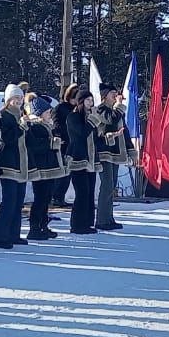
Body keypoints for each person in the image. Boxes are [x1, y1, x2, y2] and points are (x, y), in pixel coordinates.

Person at [0, 84, 29, 249]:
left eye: (21, 98)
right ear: (8, 99)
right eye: (15, 98)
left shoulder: (20, 115)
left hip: (21, 163)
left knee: (18, 200)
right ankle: (0, 236)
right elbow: (7, 138)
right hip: (8, 163)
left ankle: (14, 234)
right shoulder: (4, 115)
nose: (19, 101)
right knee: (9, 200)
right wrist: (21, 126)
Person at [24, 95, 64, 240]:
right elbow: (35, 146)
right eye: (47, 112)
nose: (50, 115)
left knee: (46, 197)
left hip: (49, 167)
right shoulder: (35, 126)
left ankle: (43, 225)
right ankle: (35, 227)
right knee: (40, 198)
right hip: (41, 168)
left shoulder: (46, 126)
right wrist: (51, 143)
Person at [94, 83, 130, 231]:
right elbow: (111, 120)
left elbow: (123, 129)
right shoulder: (100, 109)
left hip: (115, 151)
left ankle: (109, 217)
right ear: (105, 96)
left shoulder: (116, 110)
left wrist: (131, 149)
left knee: (112, 185)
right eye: (112, 93)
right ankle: (101, 220)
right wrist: (119, 106)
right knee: (107, 184)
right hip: (104, 152)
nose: (115, 95)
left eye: (116, 93)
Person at [65, 89, 100, 234]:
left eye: (91, 100)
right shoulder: (73, 117)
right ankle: (77, 224)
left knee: (90, 192)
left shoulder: (90, 117)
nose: (90, 103)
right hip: (78, 158)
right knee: (82, 192)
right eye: (87, 100)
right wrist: (92, 121)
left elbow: (95, 137)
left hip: (91, 160)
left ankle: (87, 222)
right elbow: (81, 134)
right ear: (81, 102)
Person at [50, 84, 80, 208]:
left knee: (68, 173)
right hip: (63, 143)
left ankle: (60, 196)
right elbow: (56, 124)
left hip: (73, 143)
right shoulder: (60, 108)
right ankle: (56, 197)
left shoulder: (77, 109)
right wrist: (60, 136)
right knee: (62, 172)